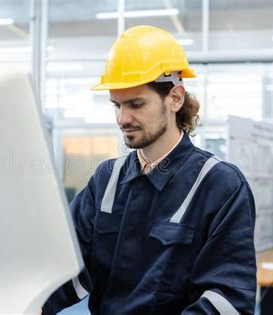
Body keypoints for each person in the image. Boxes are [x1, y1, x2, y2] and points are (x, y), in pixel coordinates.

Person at [43, 25, 256, 315]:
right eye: (116, 105)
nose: (122, 118)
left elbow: (226, 299)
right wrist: (30, 303)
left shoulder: (220, 186)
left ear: (175, 98)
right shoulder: (106, 180)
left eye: (136, 104)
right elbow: (69, 269)